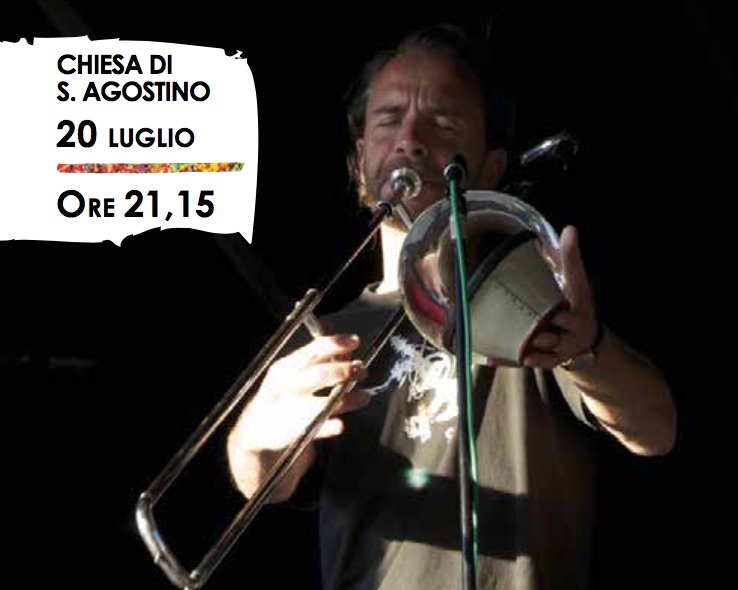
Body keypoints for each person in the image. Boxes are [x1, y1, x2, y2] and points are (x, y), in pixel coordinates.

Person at [227, 24, 677, 589]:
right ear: (360, 159)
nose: (410, 140)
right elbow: (269, 484)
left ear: (490, 169)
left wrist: (586, 350)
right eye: (389, 119)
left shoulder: (539, 295)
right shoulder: (321, 333)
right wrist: (254, 437)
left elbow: (656, 431)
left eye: (443, 123)